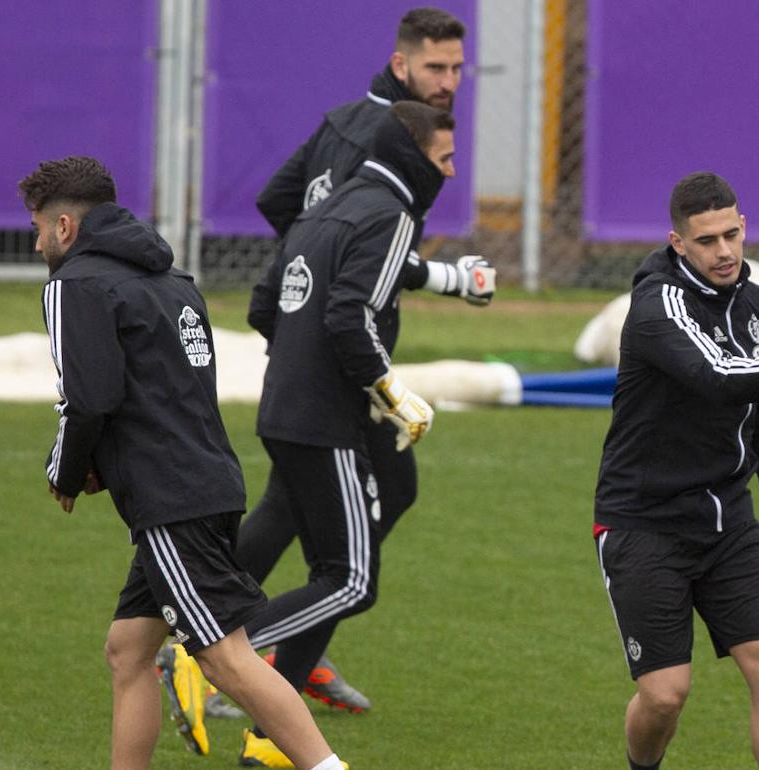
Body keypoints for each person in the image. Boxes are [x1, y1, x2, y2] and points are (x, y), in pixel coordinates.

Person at [21, 156, 345, 770]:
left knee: (224, 658)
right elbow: (163, 392)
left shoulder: (74, 285)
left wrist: (67, 469)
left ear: (64, 226)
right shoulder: (175, 284)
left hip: (169, 500)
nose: (37, 243)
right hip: (211, 481)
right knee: (128, 650)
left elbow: (88, 399)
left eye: (38, 229)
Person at [225, 6, 493, 715]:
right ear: (402, 64)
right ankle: (233, 650)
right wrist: (326, 319)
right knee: (321, 532)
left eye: (458, 69)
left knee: (364, 500)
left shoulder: (353, 122)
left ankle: (284, 651)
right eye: (436, 67)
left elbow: (283, 205)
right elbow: (345, 255)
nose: (449, 82)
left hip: (321, 356)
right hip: (337, 368)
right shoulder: (384, 141)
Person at [230, 101, 456, 768]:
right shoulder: (391, 213)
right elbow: (349, 317)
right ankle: (213, 652)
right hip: (327, 420)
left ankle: (271, 741)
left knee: (337, 560)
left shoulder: (325, 204)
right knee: (351, 579)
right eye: (443, 160)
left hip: (285, 407)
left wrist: (302, 367)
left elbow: (264, 306)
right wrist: (393, 395)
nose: (448, 172)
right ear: (416, 157)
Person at [593, 171, 759, 770]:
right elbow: (719, 376)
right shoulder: (656, 306)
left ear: (745, 227)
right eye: (706, 241)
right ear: (678, 242)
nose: (723, 251)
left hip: (729, 522)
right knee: (666, 695)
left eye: (732, 234)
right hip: (645, 523)